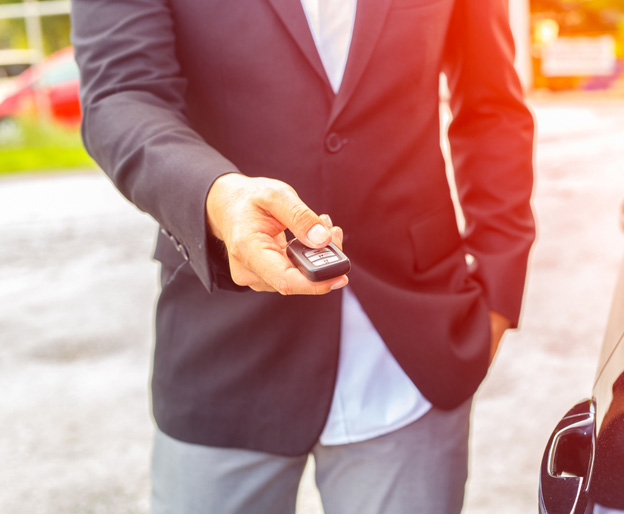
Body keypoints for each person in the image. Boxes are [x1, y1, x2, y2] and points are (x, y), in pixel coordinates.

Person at [71, 0, 535, 512]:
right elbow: (121, 96)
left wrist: (499, 289)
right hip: (223, 343)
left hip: (415, 347)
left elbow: (491, 105)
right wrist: (217, 198)